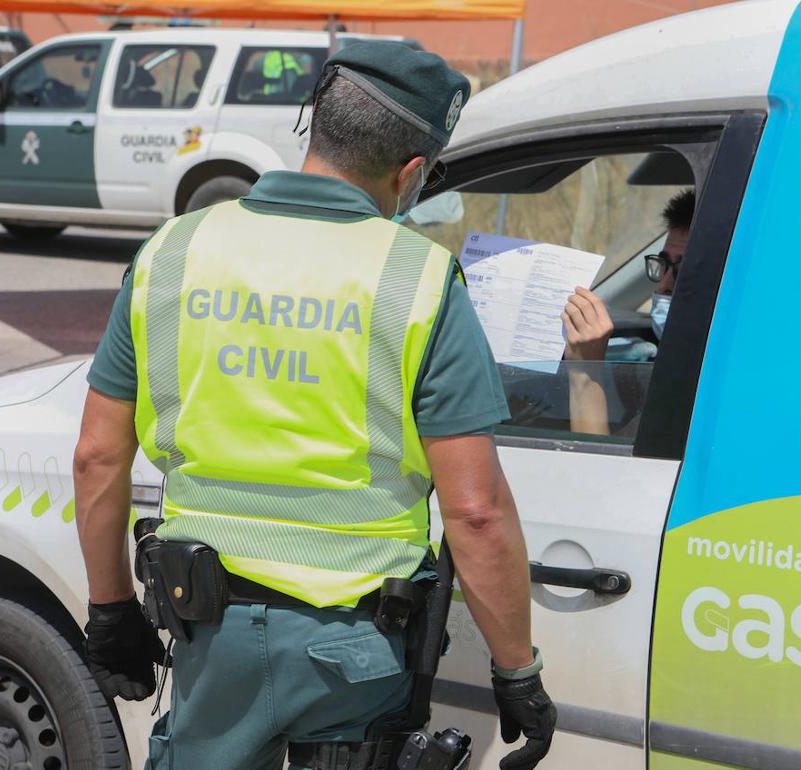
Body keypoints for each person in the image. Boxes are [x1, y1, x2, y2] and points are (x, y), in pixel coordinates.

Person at [73, 41, 555, 770]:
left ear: (314, 128)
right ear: (412, 173)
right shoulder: (418, 279)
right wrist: (516, 670)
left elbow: (97, 456)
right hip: (354, 655)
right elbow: (477, 510)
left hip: (209, 635)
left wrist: (110, 614)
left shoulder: (174, 250)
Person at [561, 189, 694, 436]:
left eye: (683, 270)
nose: (664, 285)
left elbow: (596, 471)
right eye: (663, 264)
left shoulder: (702, 391)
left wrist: (584, 371)